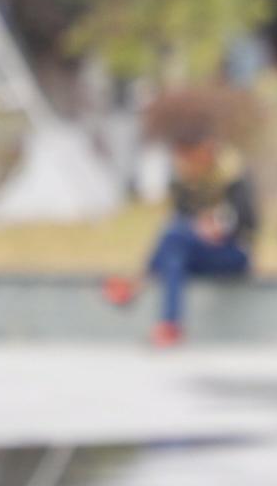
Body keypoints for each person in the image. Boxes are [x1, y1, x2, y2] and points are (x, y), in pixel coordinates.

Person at [102, 127, 256, 347]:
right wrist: (199, 227)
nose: (186, 161)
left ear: (207, 149)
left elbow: (247, 220)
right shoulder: (187, 179)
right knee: (174, 254)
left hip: (233, 253)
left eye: (189, 153)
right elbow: (183, 217)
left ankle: (139, 283)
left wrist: (219, 226)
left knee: (174, 235)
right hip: (196, 252)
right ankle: (169, 326)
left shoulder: (232, 174)